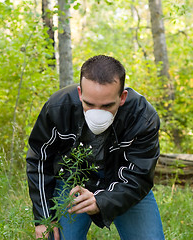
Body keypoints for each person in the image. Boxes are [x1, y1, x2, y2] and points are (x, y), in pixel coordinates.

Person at [26, 55, 165, 240]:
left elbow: (139, 176)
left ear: (122, 97)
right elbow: (38, 160)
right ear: (80, 93)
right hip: (72, 180)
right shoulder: (58, 108)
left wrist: (101, 201)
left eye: (107, 105)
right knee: (56, 237)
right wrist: (43, 217)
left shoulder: (142, 117)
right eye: (89, 104)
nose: (97, 113)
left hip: (124, 182)